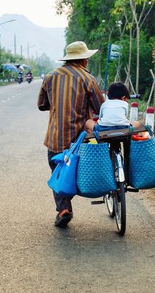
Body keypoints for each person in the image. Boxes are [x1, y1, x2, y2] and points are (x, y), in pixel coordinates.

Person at [38, 41, 105, 228]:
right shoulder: (88, 79)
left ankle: (63, 209)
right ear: (83, 60)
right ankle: (74, 200)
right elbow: (100, 108)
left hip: (55, 139)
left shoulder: (50, 77)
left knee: (58, 170)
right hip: (80, 142)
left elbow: (42, 105)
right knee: (80, 169)